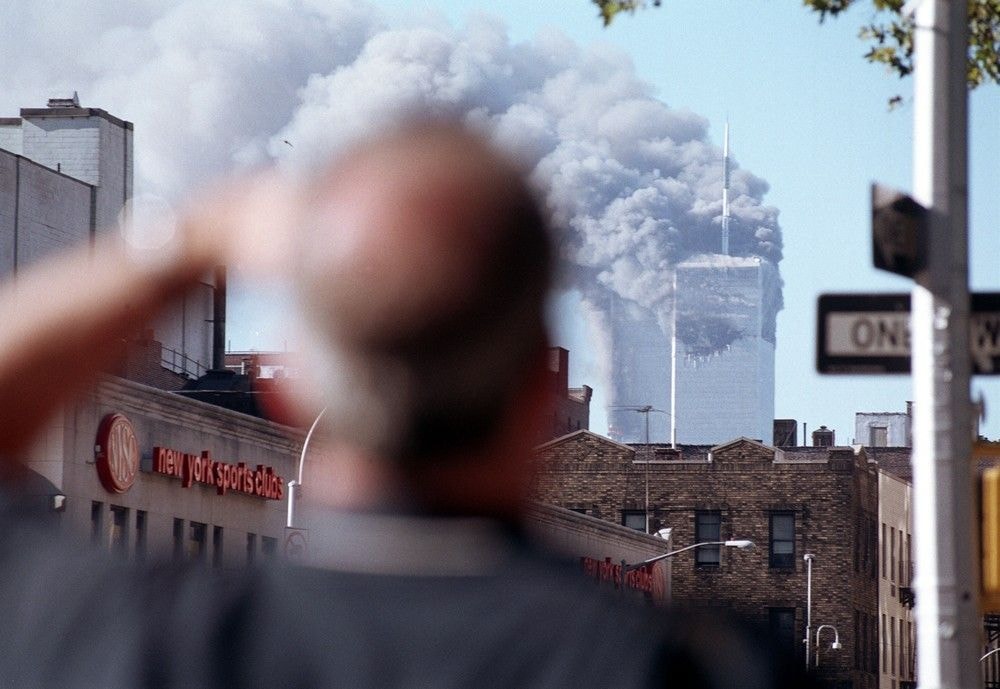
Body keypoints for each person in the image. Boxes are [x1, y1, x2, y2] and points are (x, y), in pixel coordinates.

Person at [0, 118, 808, 688]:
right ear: (541, 391)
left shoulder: (132, 636)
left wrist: (188, 241)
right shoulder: (699, 668)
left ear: (290, 385)